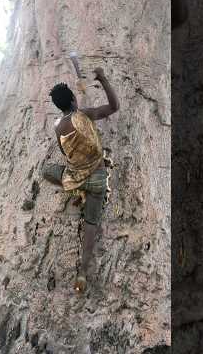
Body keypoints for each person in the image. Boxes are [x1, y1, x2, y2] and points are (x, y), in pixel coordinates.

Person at [43, 67, 120, 292]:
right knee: (91, 224)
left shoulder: (58, 127)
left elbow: (64, 153)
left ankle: (77, 190)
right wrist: (103, 78)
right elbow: (114, 107)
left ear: (58, 106)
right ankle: (83, 273)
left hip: (75, 178)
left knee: (47, 171)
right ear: (75, 99)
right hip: (97, 178)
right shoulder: (85, 115)